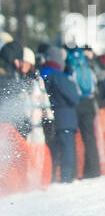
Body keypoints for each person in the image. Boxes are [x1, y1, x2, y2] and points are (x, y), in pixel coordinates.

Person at [40, 46, 80, 183]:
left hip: (50, 119)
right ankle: (65, 178)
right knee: (67, 151)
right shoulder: (61, 77)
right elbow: (74, 98)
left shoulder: (42, 74)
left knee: (52, 151)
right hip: (66, 119)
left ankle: (50, 178)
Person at [66, 46, 101, 178]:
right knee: (90, 138)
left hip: (76, 104)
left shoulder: (70, 66)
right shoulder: (89, 67)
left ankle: (75, 172)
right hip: (90, 104)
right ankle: (94, 170)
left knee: (74, 139)